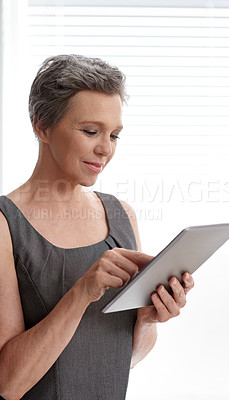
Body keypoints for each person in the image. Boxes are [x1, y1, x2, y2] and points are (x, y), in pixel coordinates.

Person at [0, 54, 194, 400]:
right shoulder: (5, 224)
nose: (105, 148)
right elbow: (9, 384)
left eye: (115, 135)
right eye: (90, 131)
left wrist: (147, 319)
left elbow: (122, 360)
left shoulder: (121, 215)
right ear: (42, 126)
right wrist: (81, 293)